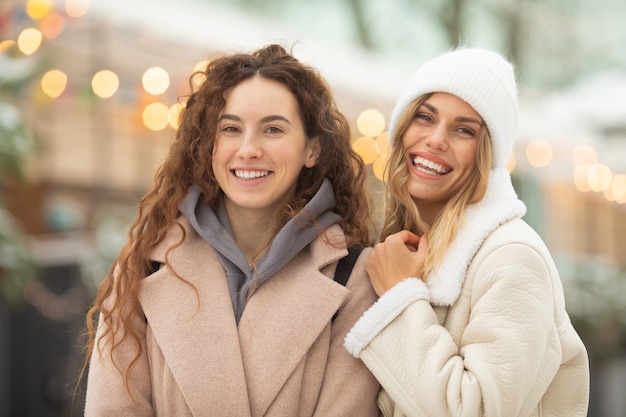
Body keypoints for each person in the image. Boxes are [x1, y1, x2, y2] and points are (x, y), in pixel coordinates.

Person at [81, 44, 380, 416]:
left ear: (312, 150)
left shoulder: (353, 278)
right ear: (209, 145)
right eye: (231, 129)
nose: (249, 149)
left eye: (273, 129)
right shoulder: (146, 266)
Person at [344, 47, 590, 416]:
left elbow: (475, 410)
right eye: (425, 117)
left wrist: (399, 298)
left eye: (463, 130)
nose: (436, 139)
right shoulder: (397, 246)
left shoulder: (512, 257)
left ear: (486, 154)